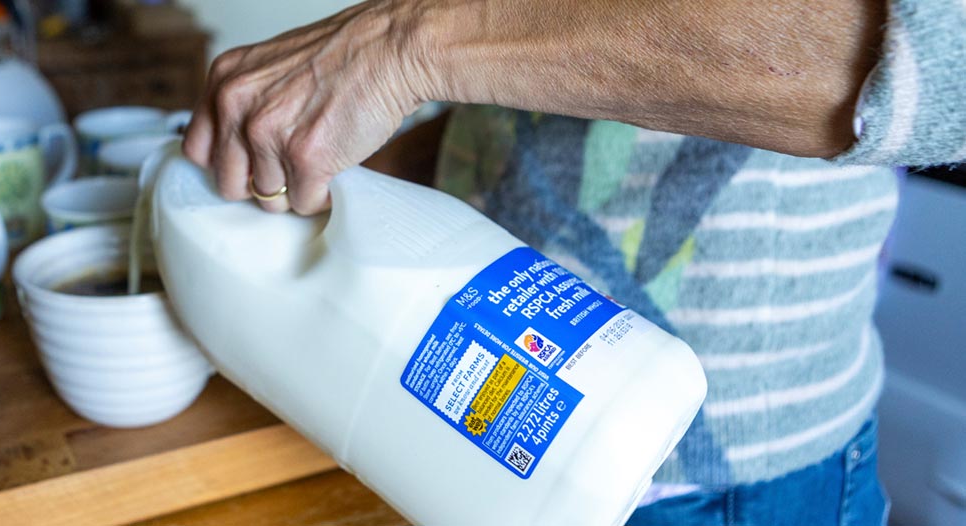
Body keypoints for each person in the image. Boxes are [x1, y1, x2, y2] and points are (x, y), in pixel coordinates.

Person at [181, 0, 965, 524]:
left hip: (710, 477)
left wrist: (402, 44)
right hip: (480, 417)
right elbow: (536, 87)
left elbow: (940, 64)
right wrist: (370, 173)